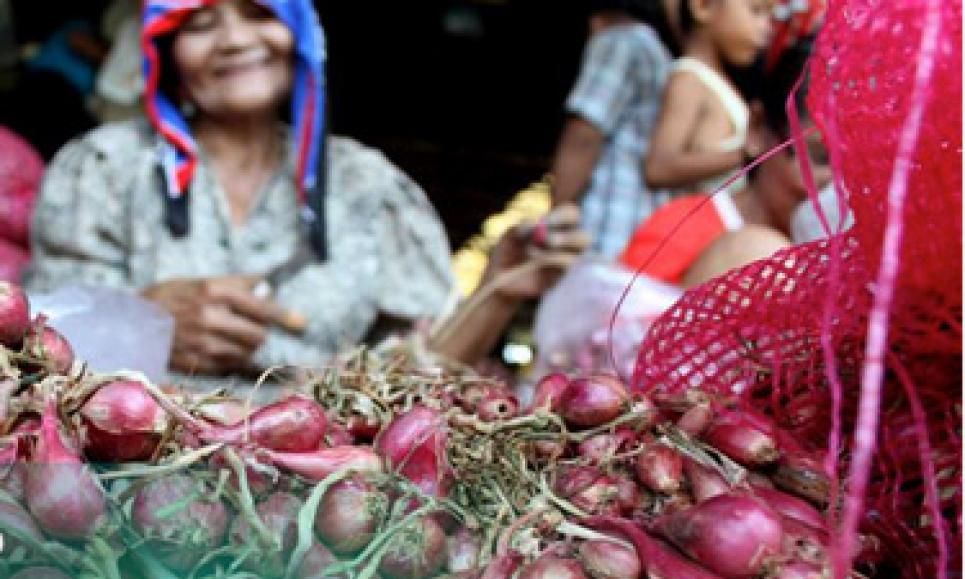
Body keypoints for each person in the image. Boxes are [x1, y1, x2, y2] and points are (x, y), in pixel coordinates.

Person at [26, 0, 586, 380]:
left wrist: (502, 287)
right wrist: (143, 320)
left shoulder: (369, 185)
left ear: (299, 32)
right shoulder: (101, 167)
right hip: (133, 488)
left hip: (324, 501)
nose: (235, 40)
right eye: (200, 24)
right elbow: (35, 351)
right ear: (166, 48)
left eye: (259, 13)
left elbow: (417, 383)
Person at [621, 35, 833, 288]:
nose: (836, 187)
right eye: (822, 158)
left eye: (855, 172)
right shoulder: (681, 229)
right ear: (756, 128)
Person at [549, 0, 679, 259]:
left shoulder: (618, 43)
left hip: (604, 236)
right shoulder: (654, 49)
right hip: (637, 237)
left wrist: (556, 216)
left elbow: (584, 136)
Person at [643, 0, 772, 195]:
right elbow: (658, 167)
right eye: (756, 11)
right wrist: (745, 153)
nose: (767, 28)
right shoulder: (689, 78)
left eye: (770, 16)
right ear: (703, 6)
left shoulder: (718, 81)